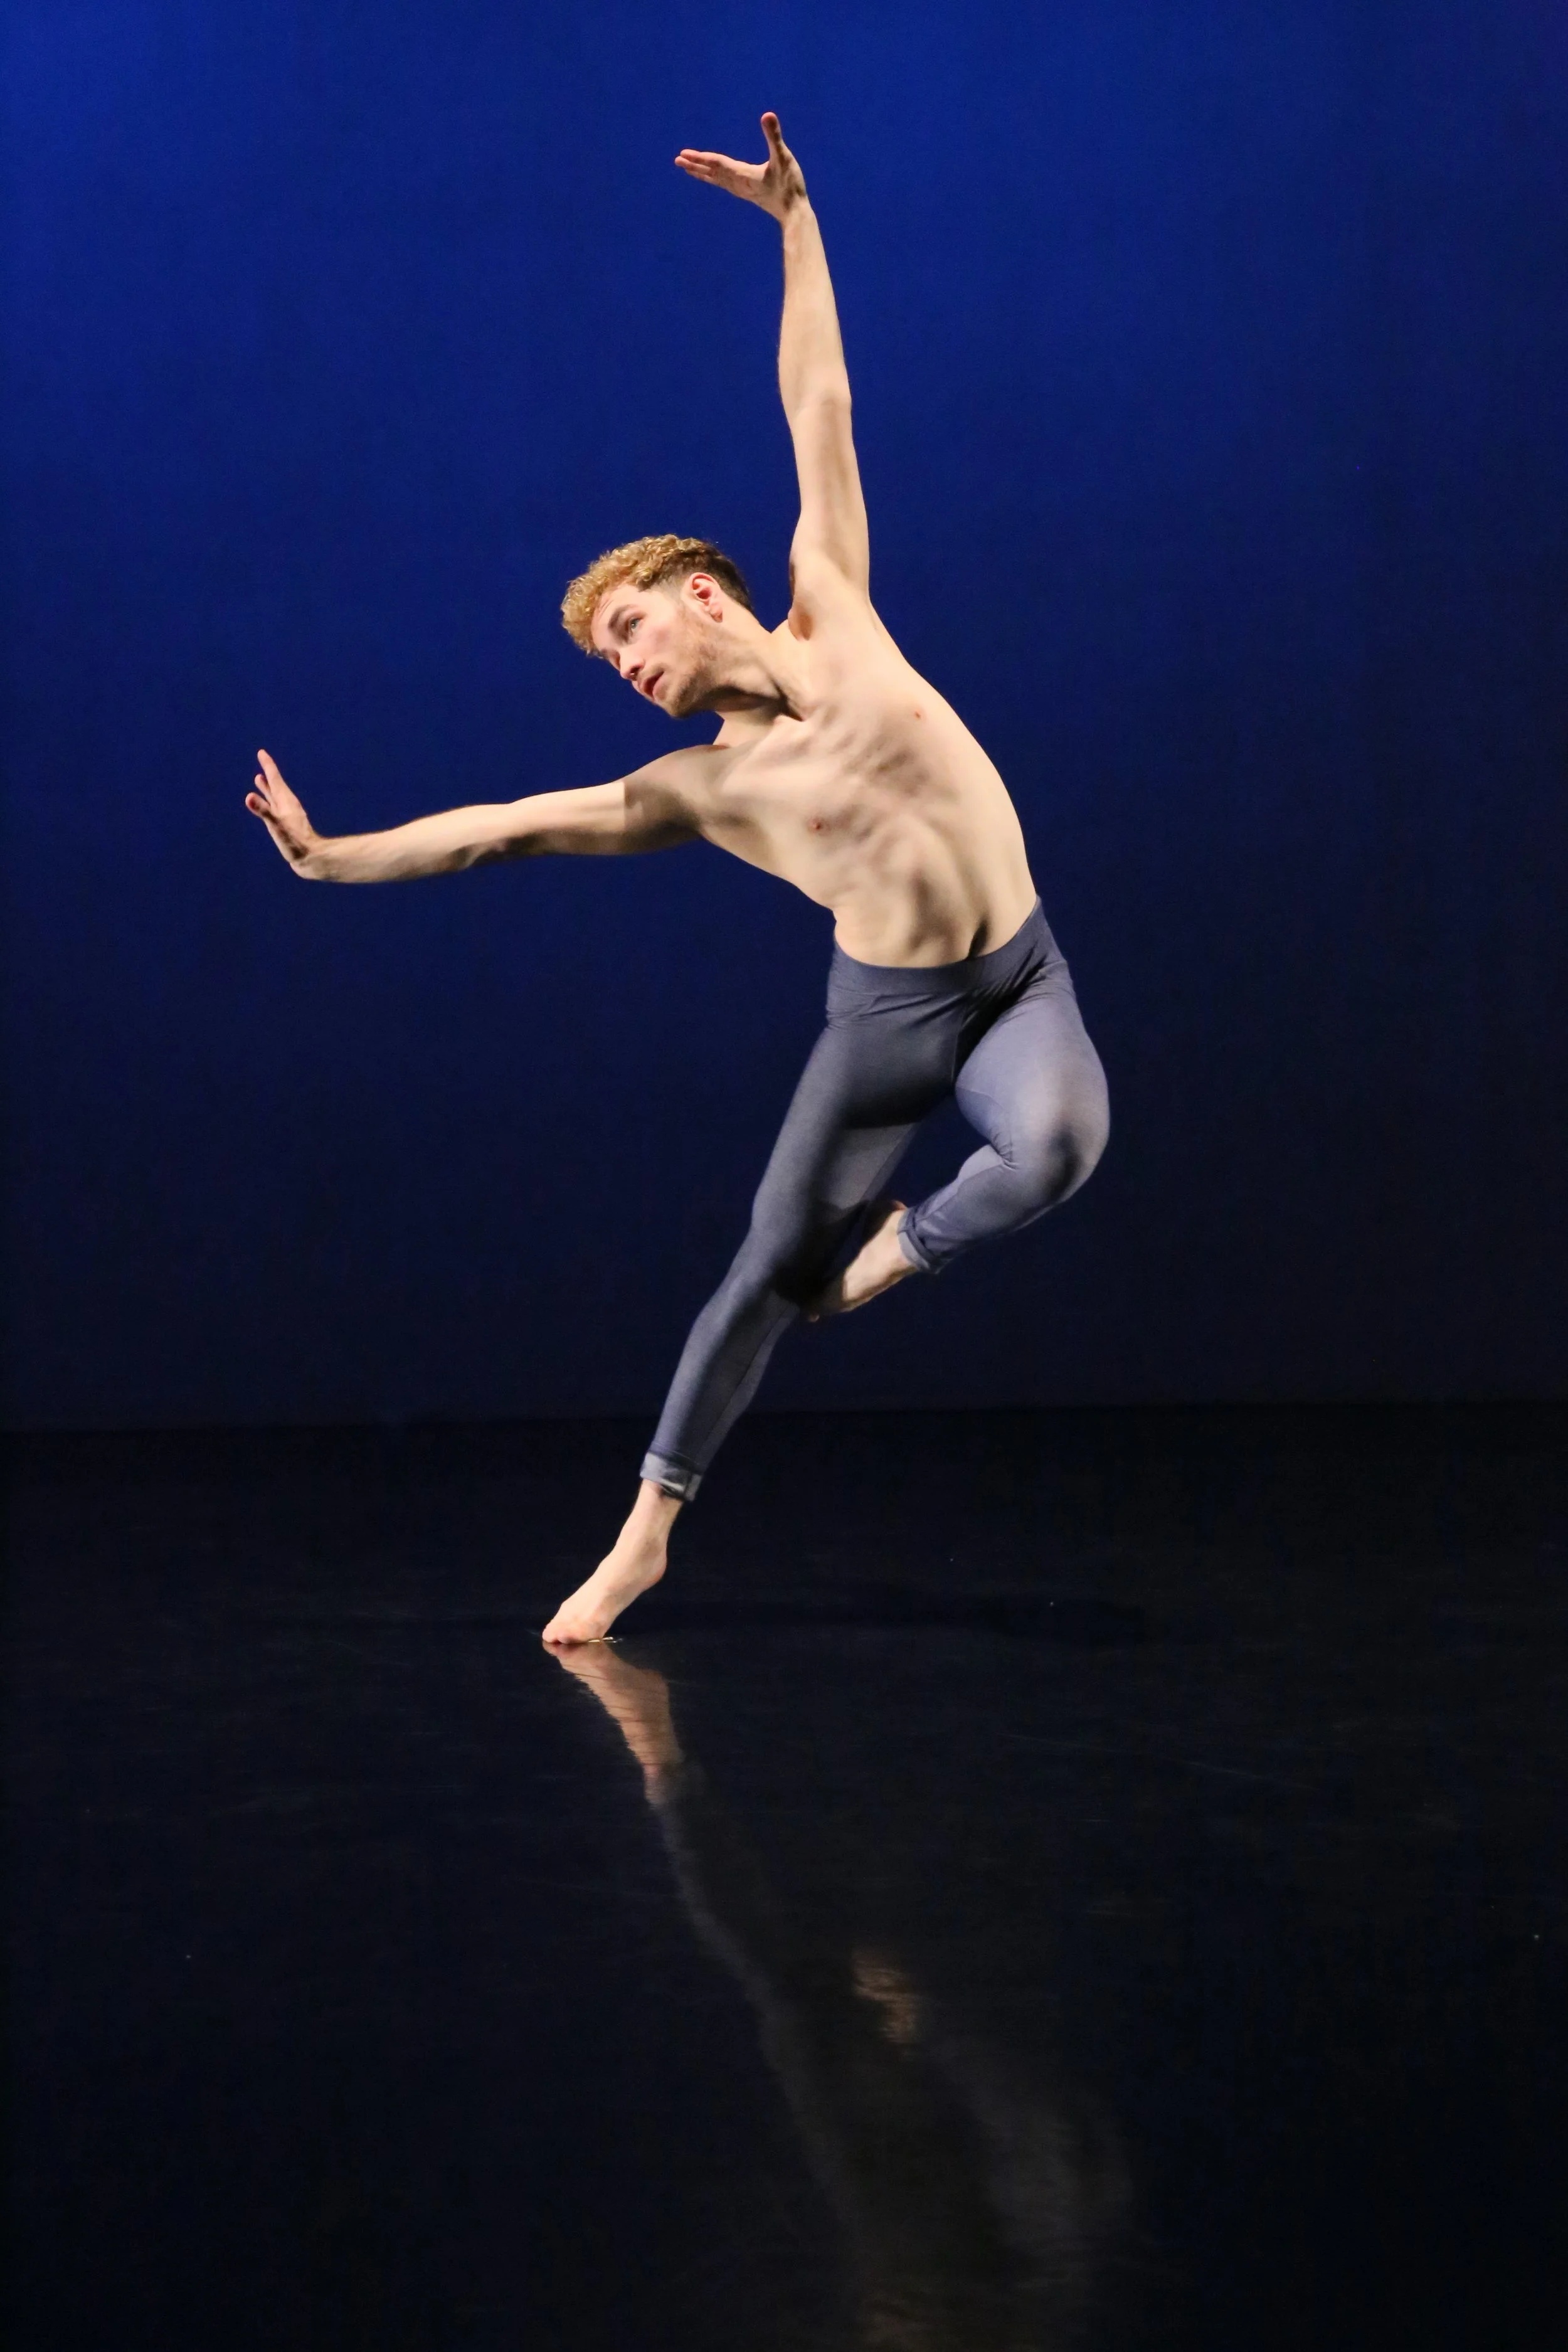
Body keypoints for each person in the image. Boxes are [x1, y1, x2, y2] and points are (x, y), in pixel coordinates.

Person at [246, 113, 1110, 1646]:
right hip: (887, 1022)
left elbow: (817, 396)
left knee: (1057, 1146)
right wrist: (332, 860)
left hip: (1018, 975)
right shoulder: (693, 790)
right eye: (608, 664)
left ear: (698, 595)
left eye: (629, 637)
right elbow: (500, 827)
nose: (626, 671)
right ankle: (642, 1538)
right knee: (759, 1276)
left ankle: (895, 1252)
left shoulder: (830, 600)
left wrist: (792, 222)